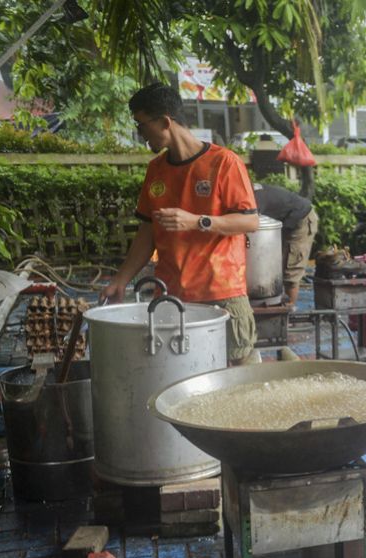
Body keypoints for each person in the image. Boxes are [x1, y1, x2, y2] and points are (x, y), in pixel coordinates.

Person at [102, 83, 260, 364]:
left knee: (236, 386)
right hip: (171, 297)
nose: (140, 135)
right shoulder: (156, 170)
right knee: (180, 380)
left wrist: (196, 221)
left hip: (222, 295)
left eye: (141, 125)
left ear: (165, 121)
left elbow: (249, 221)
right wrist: (121, 280)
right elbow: (147, 232)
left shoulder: (224, 163)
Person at [252, 180, 319, 305]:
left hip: (302, 221)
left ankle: (288, 315)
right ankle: (279, 304)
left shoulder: (254, 198)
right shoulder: (250, 190)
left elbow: (250, 227)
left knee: (291, 270)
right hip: (286, 222)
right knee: (277, 266)